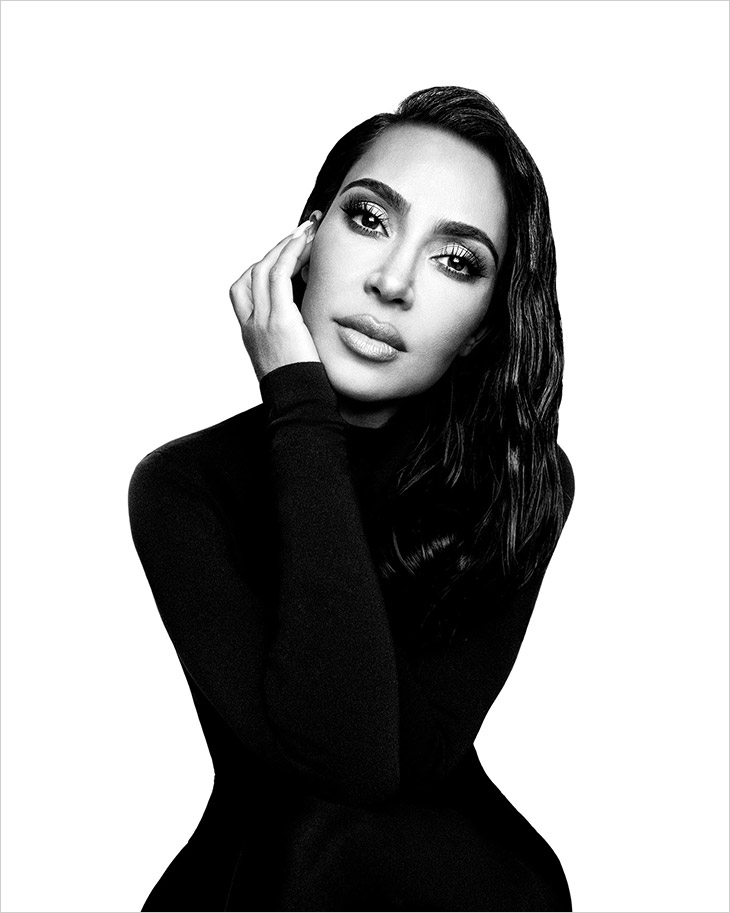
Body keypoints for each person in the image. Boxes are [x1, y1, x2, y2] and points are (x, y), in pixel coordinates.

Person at [128, 85, 575, 912]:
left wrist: (298, 411)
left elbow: (380, 767)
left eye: (456, 260)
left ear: (482, 326)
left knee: (343, 842)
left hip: (463, 878)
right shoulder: (184, 487)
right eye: (370, 219)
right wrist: (298, 406)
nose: (393, 281)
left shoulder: (513, 479)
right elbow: (325, 764)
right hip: (266, 875)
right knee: (309, 843)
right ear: (304, 240)